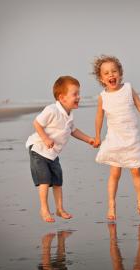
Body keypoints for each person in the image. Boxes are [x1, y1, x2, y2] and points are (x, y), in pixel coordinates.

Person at [92, 55, 140, 221]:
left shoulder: (128, 88)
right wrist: (97, 135)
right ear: (101, 78)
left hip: (131, 137)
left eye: (114, 71)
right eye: (106, 73)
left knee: (136, 171)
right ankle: (111, 204)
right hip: (114, 138)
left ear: (120, 73)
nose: (111, 75)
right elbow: (99, 117)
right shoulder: (103, 96)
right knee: (115, 173)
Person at [26, 76, 95, 223]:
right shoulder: (51, 110)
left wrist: (89, 139)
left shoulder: (69, 115)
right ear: (62, 98)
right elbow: (36, 123)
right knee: (44, 180)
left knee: (57, 181)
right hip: (38, 149)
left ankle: (59, 208)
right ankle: (44, 209)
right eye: (75, 94)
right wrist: (45, 138)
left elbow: (73, 131)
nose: (79, 97)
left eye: (79, 93)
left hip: (52, 154)